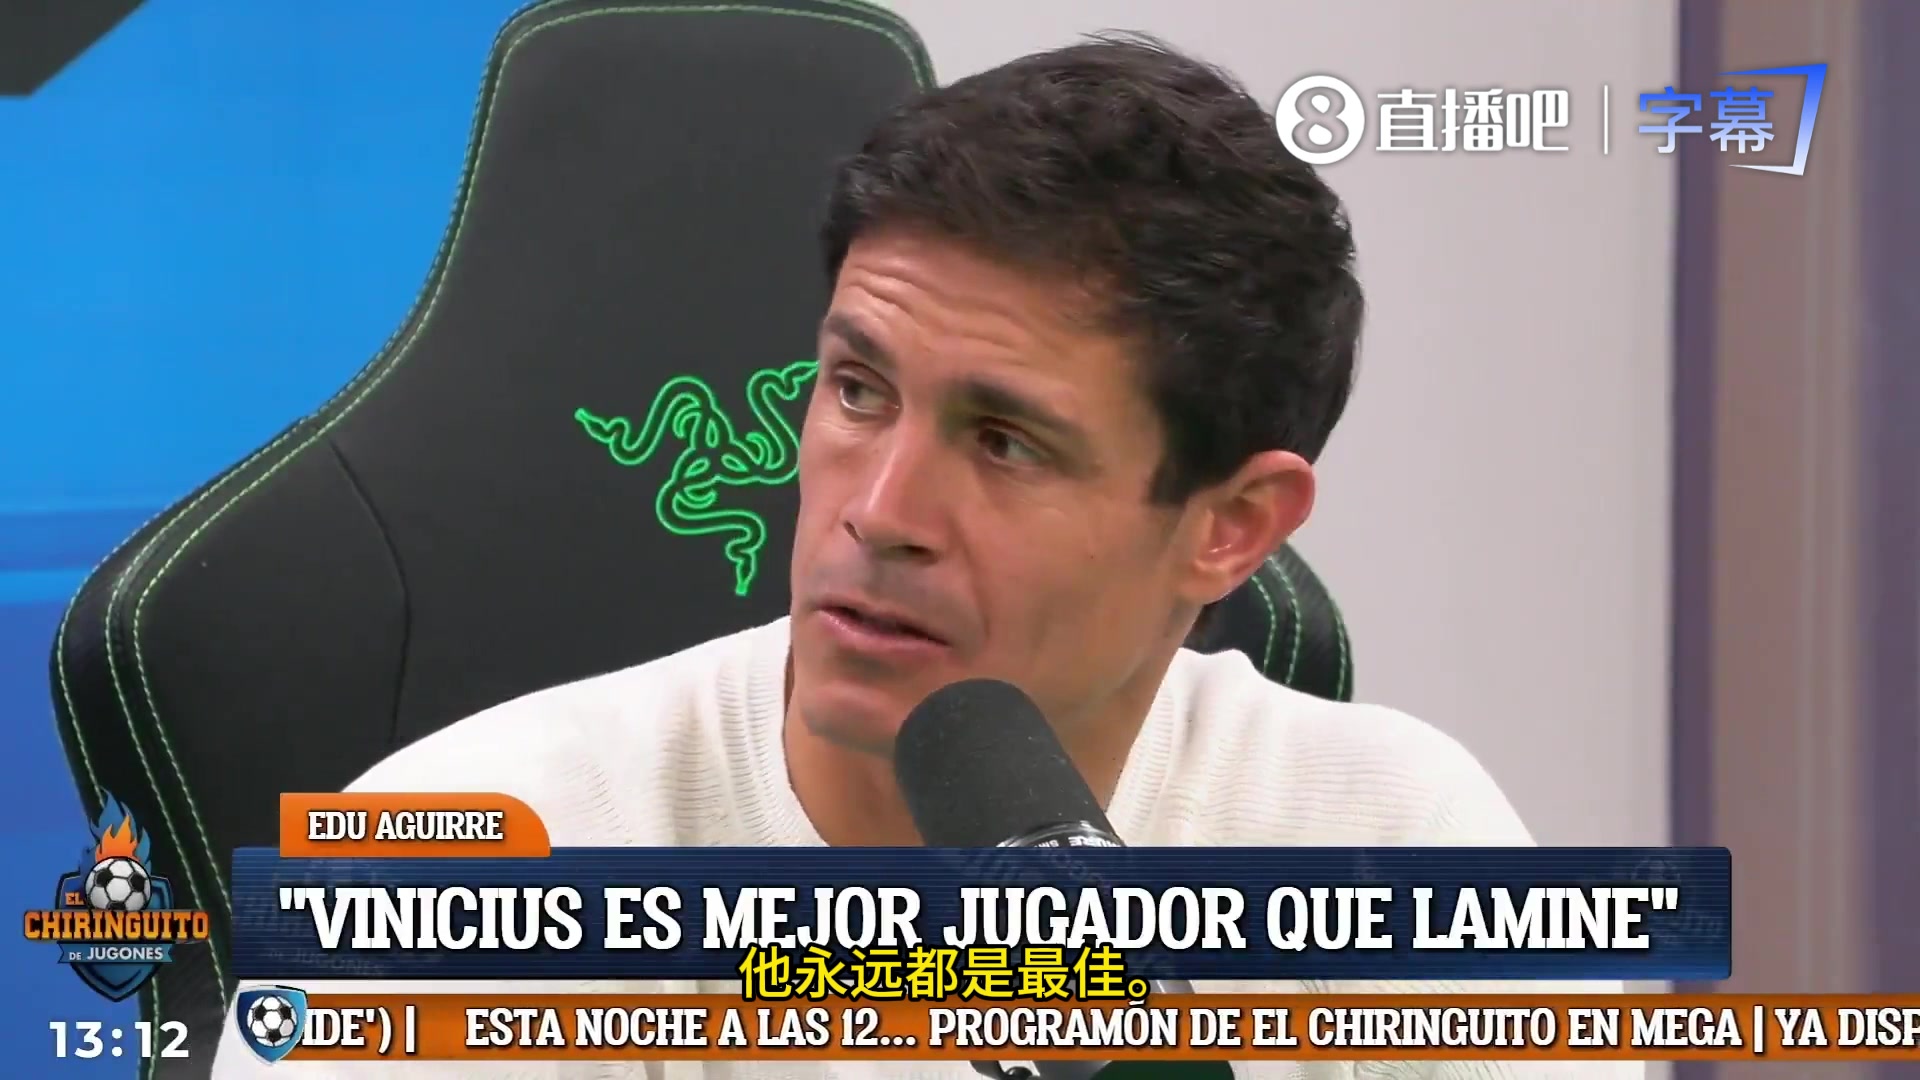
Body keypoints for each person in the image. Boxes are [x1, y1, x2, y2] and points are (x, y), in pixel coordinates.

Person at [214, 34, 1636, 1079]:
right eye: (856, 390)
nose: (878, 509)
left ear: (1231, 527)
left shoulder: (1401, 849)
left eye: (1006, 442)